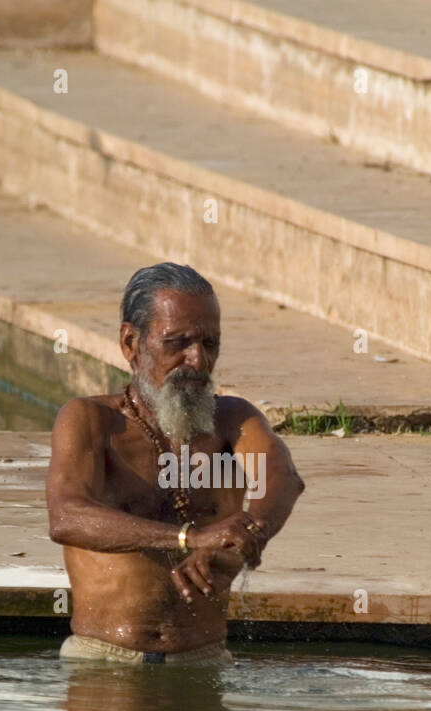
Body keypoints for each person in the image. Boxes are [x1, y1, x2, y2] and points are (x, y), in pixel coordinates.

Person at [47, 262, 304, 664]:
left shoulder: (231, 420)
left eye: (209, 343)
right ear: (131, 343)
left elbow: (283, 478)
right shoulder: (90, 421)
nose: (198, 361)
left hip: (203, 660)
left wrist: (249, 533)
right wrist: (192, 539)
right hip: (105, 662)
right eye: (177, 343)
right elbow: (67, 517)